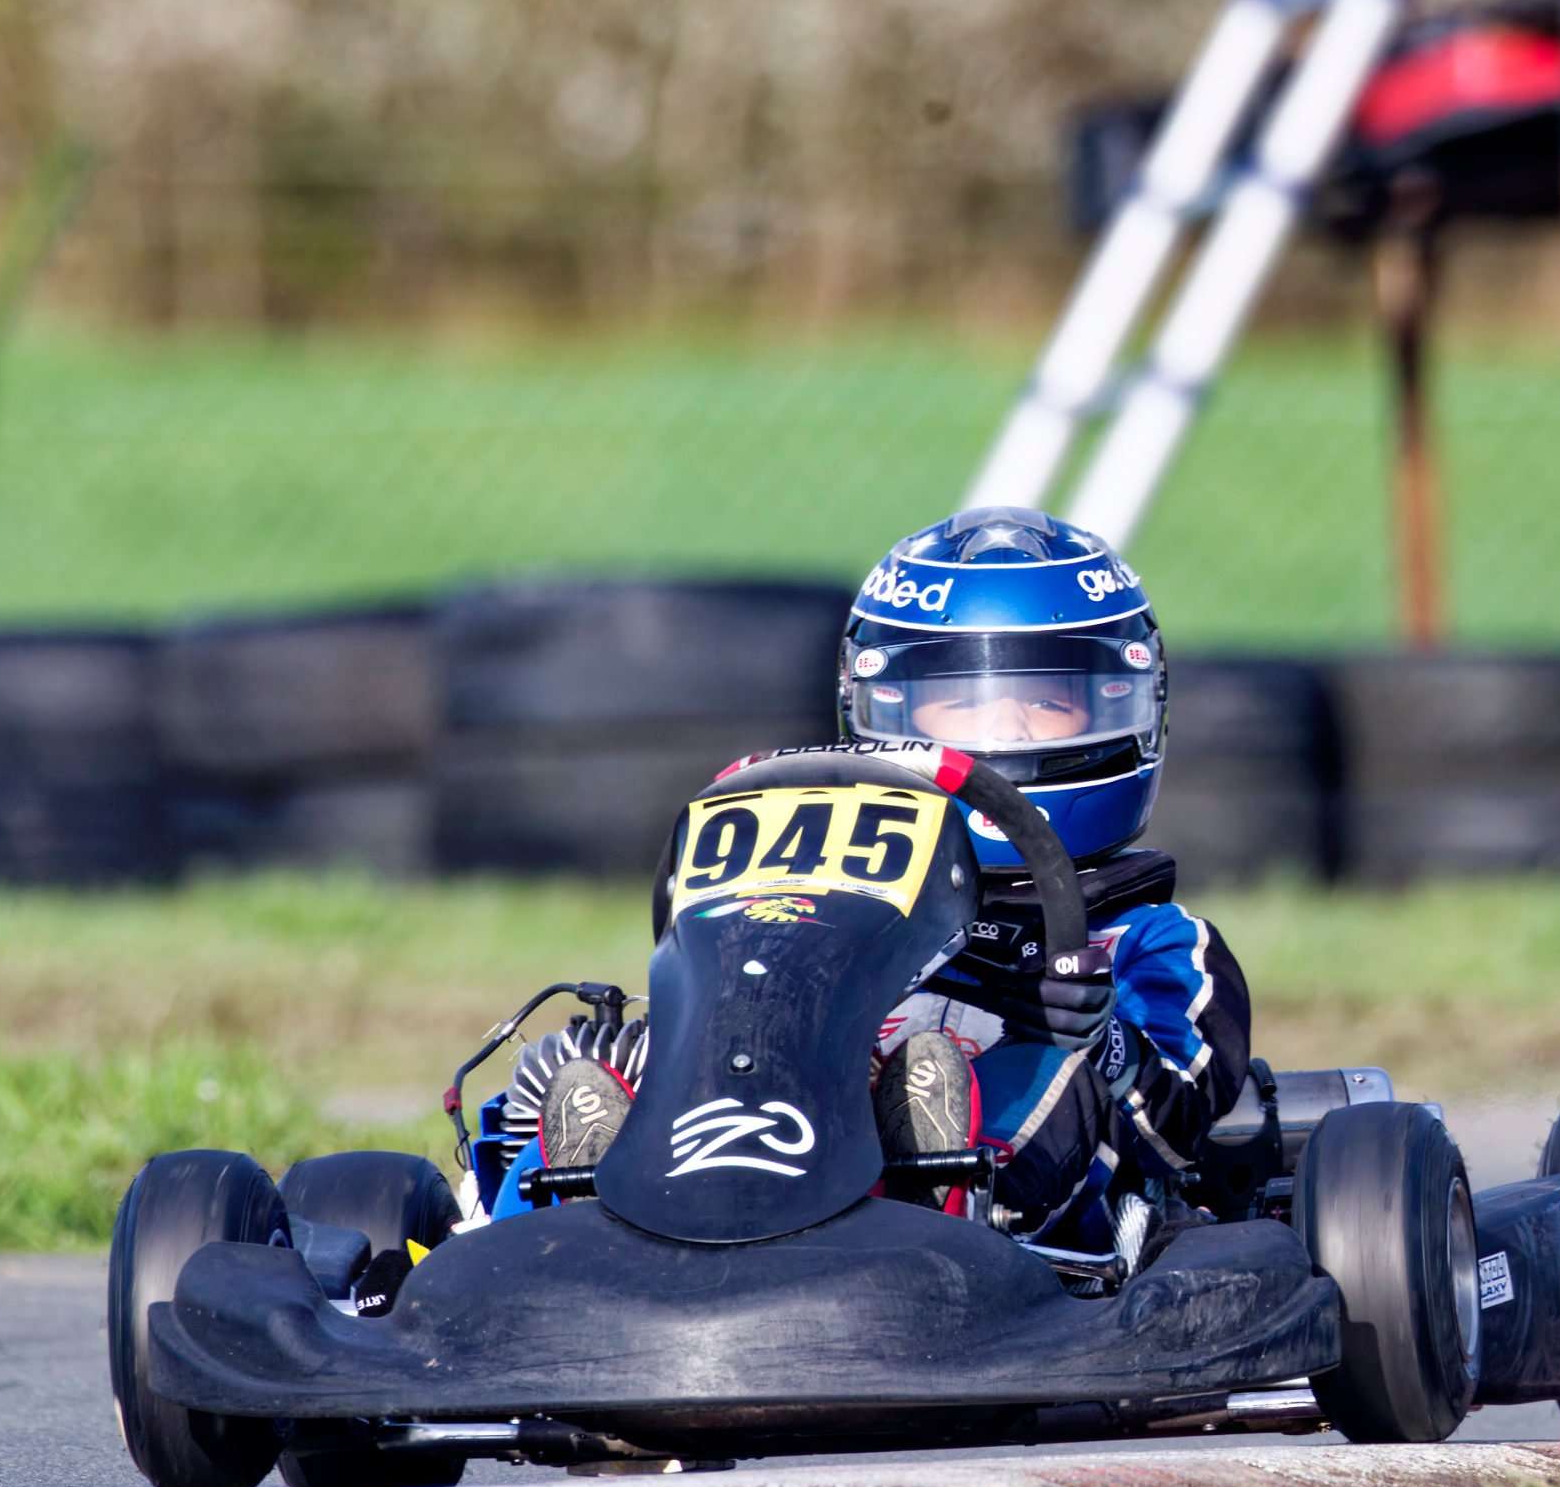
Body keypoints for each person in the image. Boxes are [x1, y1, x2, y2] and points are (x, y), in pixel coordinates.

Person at [533, 503, 1251, 1254]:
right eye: (957, 703)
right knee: (611, 1056)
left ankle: (939, 1188)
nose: (1000, 731)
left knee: (1050, 1069)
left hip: (1005, 1242)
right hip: (792, 1134)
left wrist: (1101, 1039)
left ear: (1125, 705)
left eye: (1043, 700)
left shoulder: (1154, 940)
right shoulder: (838, 893)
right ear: (876, 705)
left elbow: (1180, 1130)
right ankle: (561, 1220)